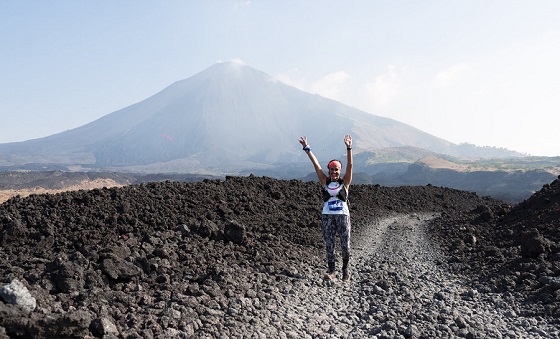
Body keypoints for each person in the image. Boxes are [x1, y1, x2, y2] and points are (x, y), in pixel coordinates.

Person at [299, 135, 353, 282]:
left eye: (336, 170)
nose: (334, 172)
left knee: (345, 245)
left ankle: (345, 270)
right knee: (330, 244)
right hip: (327, 216)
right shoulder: (324, 182)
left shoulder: (345, 182)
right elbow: (316, 165)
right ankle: (332, 271)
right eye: (332, 169)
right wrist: (307, 148)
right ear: (329, 170)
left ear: (340, 171)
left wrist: (348, 148)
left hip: (343, 216)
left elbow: (350, 166)